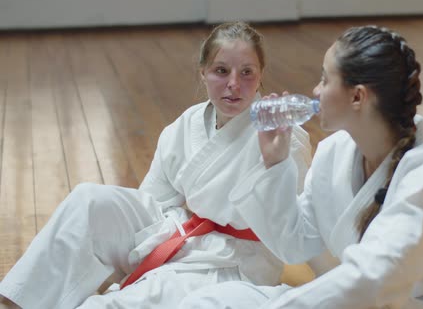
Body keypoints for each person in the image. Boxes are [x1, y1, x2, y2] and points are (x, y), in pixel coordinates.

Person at [0, 22, 312, 309]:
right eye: (221, 70)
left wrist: (277, 162)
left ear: (261, 75)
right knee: (89, 200)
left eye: (247, 72)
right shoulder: (188, 123)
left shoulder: (284, 136)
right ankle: (20, 301)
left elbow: (289, 233)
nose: (234, 84)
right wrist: (148, 244)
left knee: (117, 304)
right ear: (203, 72)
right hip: (181, 228)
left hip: (231, 262)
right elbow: (154, 200)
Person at [179, 25, 423, 309]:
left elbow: (370, 277)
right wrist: (275, 163)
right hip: (355, 297)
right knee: (213, 300)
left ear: (357, 97)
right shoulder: (334, 153)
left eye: (325, 79)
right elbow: (296, 243)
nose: (315, 90)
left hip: (416, 302)